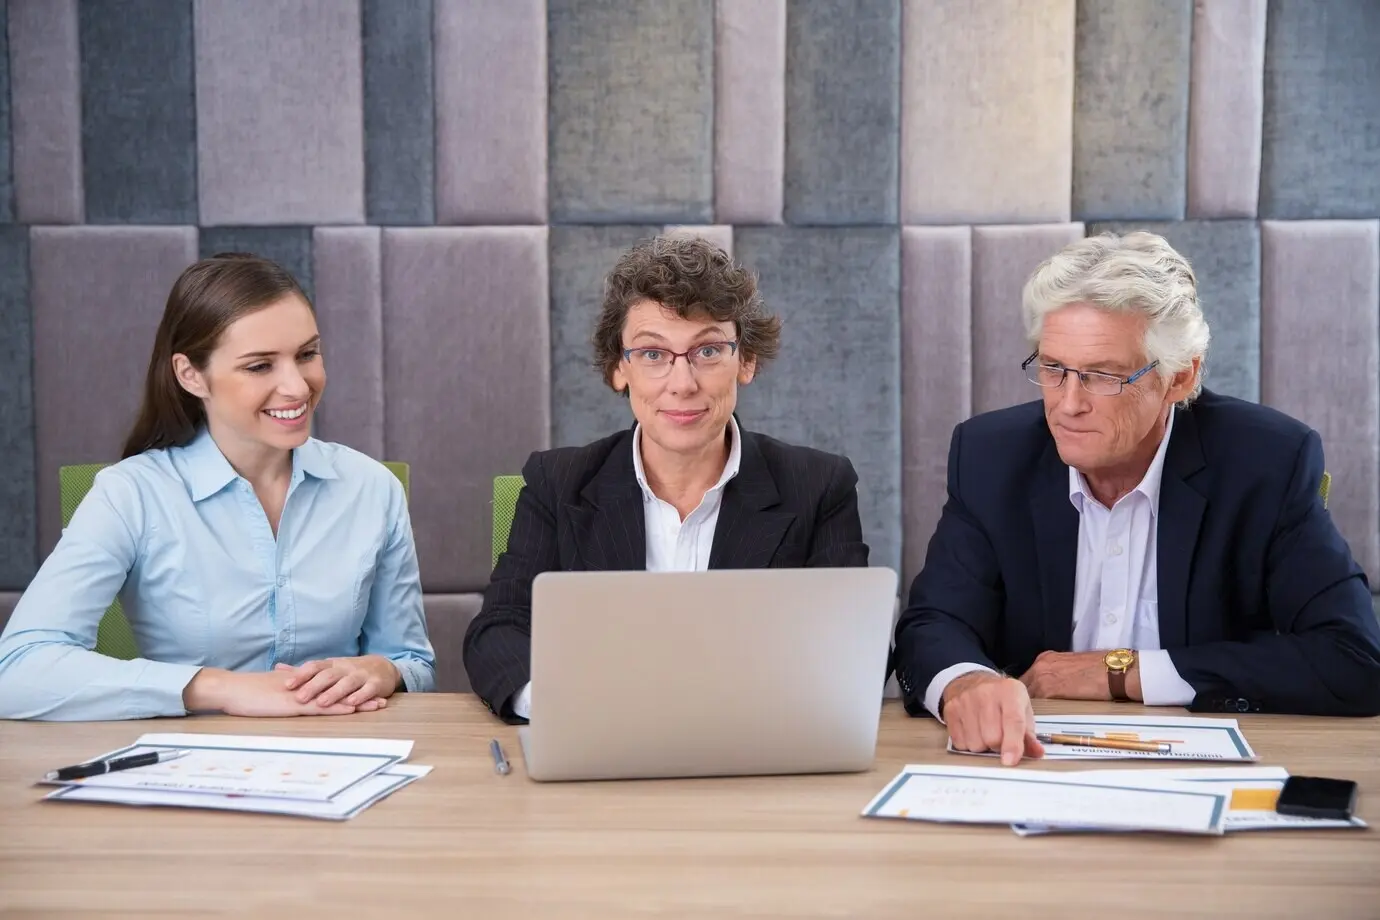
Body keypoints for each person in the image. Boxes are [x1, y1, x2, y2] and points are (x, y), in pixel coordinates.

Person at [893, 230, 1380, 764]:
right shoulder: (991, 457)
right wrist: (965, 684)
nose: (1068, 404)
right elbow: (932, 625)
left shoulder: (1266, 463)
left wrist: (1120, 673)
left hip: (1202, 775)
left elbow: (1353, 658)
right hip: (1027, 764)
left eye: (1103, 375)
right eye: (1053, 369)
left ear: (1179, 378)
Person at [0, 253, 436, 720]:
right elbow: (19, 670)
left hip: (347, 758)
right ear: (191, 375)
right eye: (259, 366)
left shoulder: (372, 489)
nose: (297, 386)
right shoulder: (131, 495)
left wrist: (383, 670)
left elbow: (415, 663)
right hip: (192, 767)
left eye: (307, 355)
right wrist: (220, 688)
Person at [464, 235, 870, 721]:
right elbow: (499, 629)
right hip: (601, 744)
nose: (682, 384)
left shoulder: (820, 485)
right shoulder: (557, 483)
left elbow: (853, 647)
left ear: (746, 361)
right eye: (653, 354)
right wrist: (556, 705)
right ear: (620, 368)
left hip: (754, 750)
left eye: (708, 351)